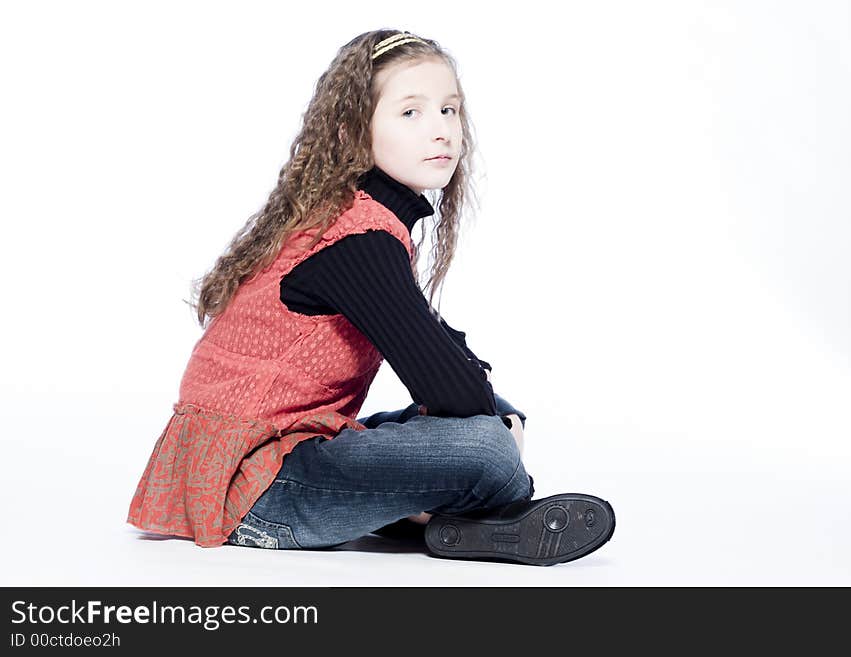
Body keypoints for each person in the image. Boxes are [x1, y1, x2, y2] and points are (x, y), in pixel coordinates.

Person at [127, 29, 615, 566]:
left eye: (449, 110)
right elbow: (447, 383)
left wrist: (481, 403)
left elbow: (442, 355)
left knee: (498, 415)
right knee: (487, 447)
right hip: (253, 486)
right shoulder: (357, 240)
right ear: (353, 133)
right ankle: (453, 514)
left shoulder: (363, 220)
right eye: (411, 113)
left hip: (287, 451)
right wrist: (487, 420)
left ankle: (437, 518)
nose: (441, 131)